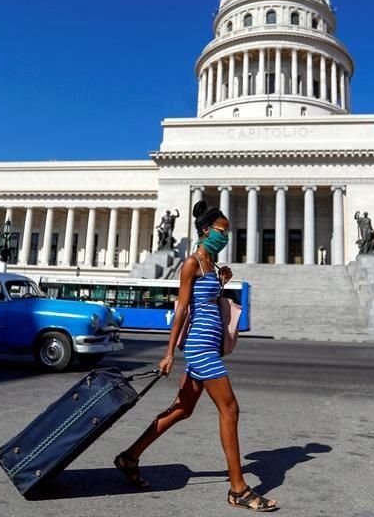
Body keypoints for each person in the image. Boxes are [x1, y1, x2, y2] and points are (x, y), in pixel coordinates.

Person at [115, 200, 279, 512]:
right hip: (199, 348)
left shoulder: (212, 267)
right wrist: (168, 353)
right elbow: (182, 310)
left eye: (227, 232)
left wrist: (221, 283)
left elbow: (208, 305)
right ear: (205, 230)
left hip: (209, 346)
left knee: (182, 409)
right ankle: (238, 489)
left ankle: (129, 456)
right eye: (222, 230)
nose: (225, 237)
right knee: (230, 409)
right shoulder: (191, 263)